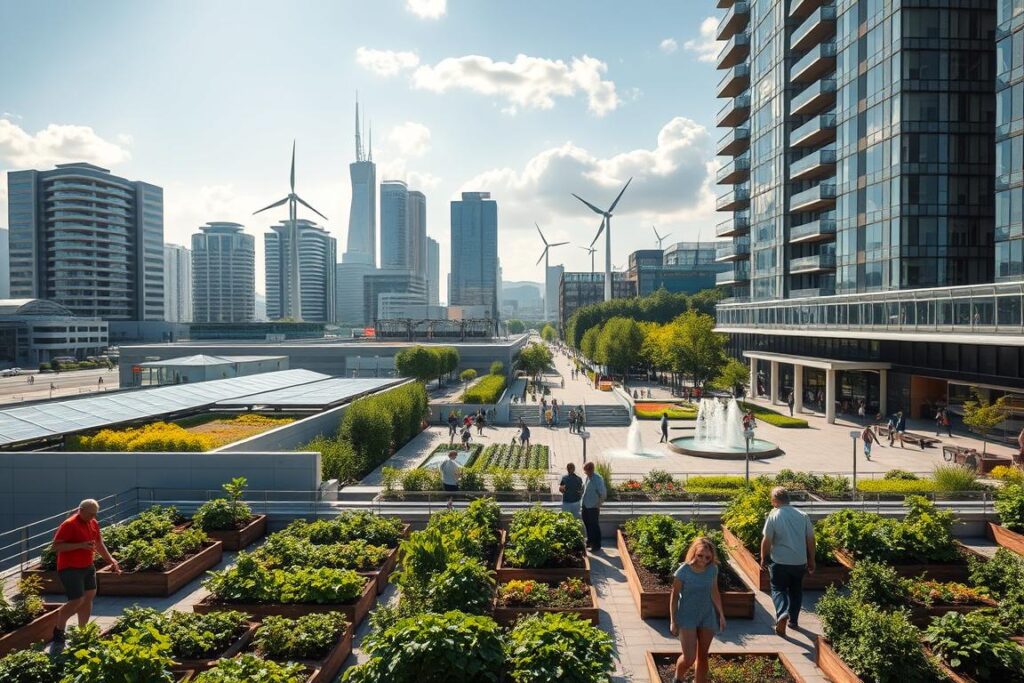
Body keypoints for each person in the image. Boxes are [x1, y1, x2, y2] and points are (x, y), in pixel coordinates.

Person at [51, 499, 120, 641]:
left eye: (95, 514)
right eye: (90, 514)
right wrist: (80, 545)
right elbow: (56, 547)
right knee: (76, 600)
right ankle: (59, 629)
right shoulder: (69, 524)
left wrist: (110, 559)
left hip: (87, 566)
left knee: (89, 596)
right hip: (70, 568)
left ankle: (83, 631)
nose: (93, 517)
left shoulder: (93, 522)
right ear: (81, 510)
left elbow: (99, 543)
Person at [668, 537, 727, 683]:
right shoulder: (683, 571)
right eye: (700, 555)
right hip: (687, 617)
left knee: (703, 656)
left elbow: (714, 591)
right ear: (694, 552)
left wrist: (721, 614)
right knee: (689, 658)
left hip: (707, 616)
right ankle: (677, 678)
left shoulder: (713, 569)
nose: (703, 560)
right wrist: (673, 621)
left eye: (707, 557)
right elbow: (674, 596)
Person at [760, 487, 815, 636]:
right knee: (796, 590)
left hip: (780, 561)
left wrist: (763, 557)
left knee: (778, 589)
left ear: (775, 500)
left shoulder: (774, 515)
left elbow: (767, 539)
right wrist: (811, 560)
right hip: (799, 561)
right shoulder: (802, 515)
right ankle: (793, 621)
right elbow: (810, 539)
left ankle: (782, 613)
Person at [580, 462, 607, 552]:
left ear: (591, 470)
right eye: (585, 471)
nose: (585, 473)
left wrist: (598, 504)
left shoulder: (598, 479)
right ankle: (590, 541)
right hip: (585, 505)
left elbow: (603, 494)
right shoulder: (586, 477)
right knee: (587, 524)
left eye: (586, 471)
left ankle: (596, 545)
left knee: (594, 526)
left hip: (593, 506)